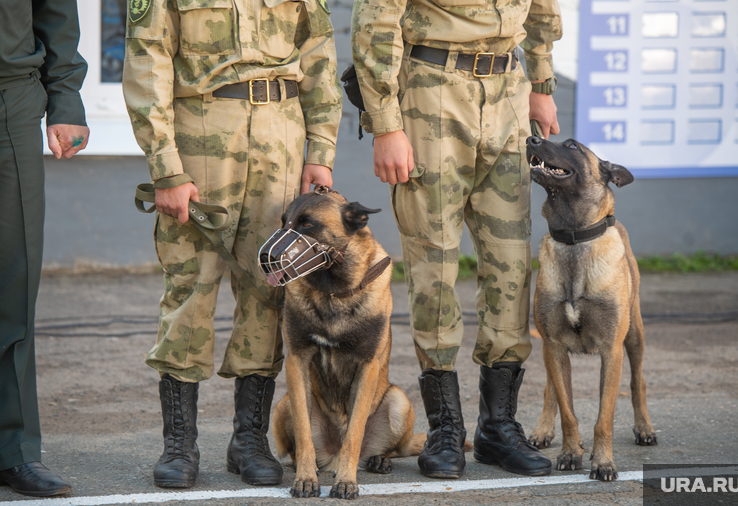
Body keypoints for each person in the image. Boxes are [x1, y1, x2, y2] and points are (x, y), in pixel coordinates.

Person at [123, 0, 342, 489]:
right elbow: (148, 59)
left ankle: (250, 439)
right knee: (189, 289)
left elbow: (320, 54)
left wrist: (321, 152)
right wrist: (166, 167)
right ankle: (179, 444)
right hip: (200, 140)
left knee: (270, 288)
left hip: (281, 140)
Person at [351, 0, 561, 479]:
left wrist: (541, 83)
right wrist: (385, 124)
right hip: (431, 89)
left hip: (509, 89)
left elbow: (543, 8)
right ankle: (445, 427)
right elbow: (375, 20)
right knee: (434, 266)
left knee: (510, 266)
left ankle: (498, 428)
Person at [0, 0, 90, 498]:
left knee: (14, 279)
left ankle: (14, 449)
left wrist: (67, 102)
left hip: (8, 101)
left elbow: (56, 12)